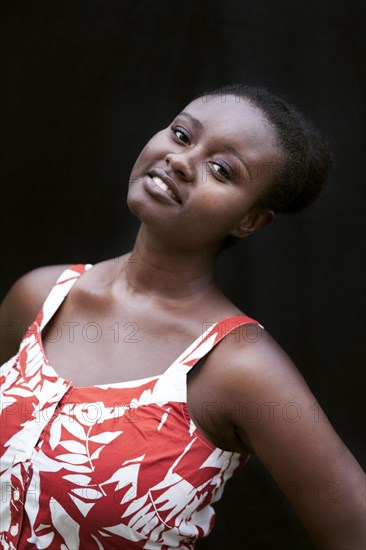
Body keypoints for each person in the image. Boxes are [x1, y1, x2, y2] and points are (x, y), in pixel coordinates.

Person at [0, 84, 364, 549]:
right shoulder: (39, 297)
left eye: (221, 169)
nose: (179, 160)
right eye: (181, 135)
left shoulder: (239, 366)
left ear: (250, 220)